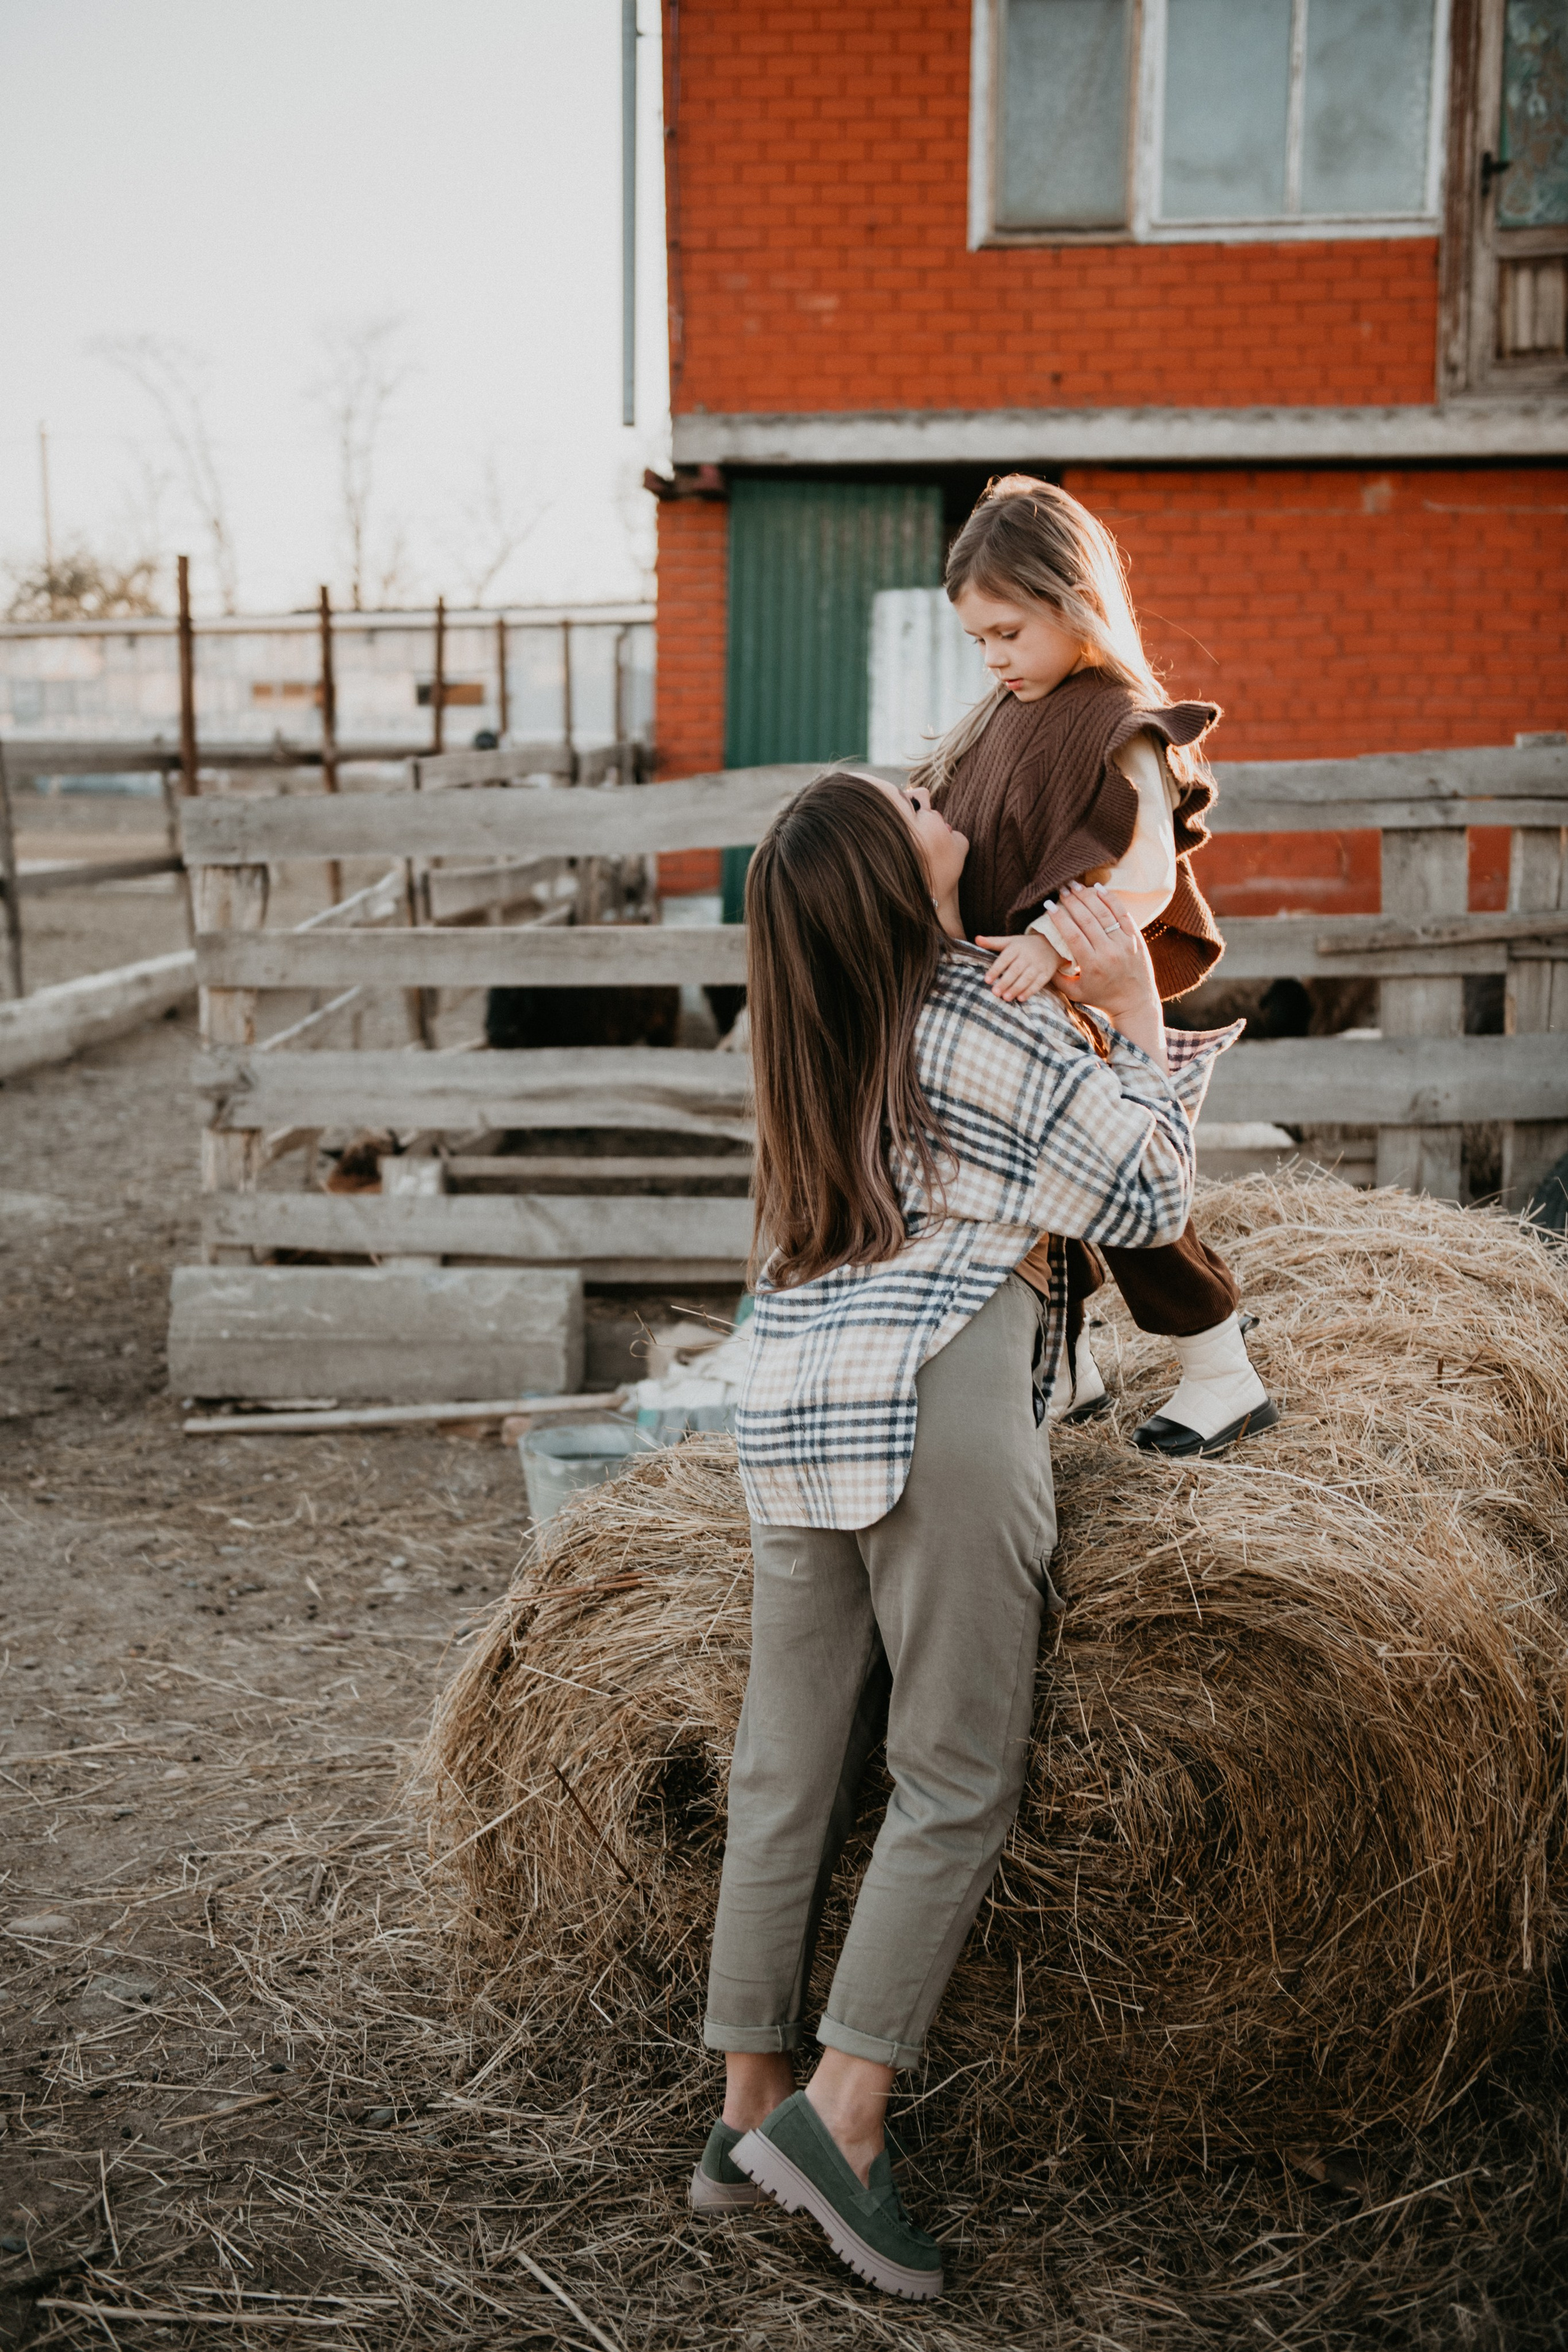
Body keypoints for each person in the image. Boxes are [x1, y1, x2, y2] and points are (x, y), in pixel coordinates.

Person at [687, 768, 1237, 2299]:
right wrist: (1131, 1010)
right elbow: (1141, 1190)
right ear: (889, 870)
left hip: (792, 1396)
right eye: (914, 798)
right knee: (950, 1774)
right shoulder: (963, 1007)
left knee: (785, 1768)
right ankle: (842, 2126)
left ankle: (743, 2114)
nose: (945, 796)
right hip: (935, 1385)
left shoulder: (811, 1039)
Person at [908, 476, 1277, 1459]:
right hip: (1005, 1001)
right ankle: (1067, 1367)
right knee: (1046, 1200)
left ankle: (1222, 1374)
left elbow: (1146, 876)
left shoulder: (1116, 722)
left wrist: (1052, 942)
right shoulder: (1005, 714)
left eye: (1008, 632)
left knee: (1117, 1195)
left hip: (1077, 1000)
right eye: (977, 639)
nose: (992, 658)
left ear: (1073, 604)